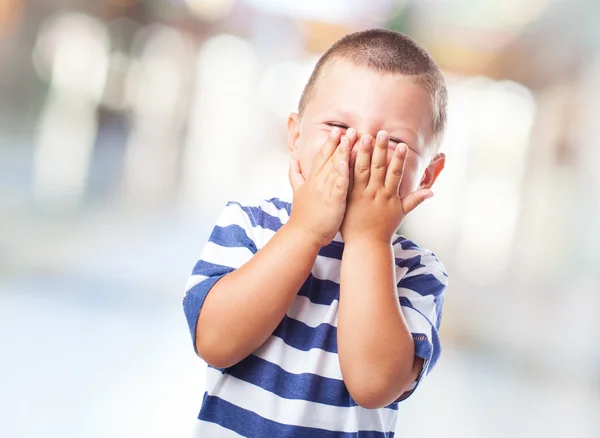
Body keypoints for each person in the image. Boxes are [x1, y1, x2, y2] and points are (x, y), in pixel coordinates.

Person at [182, 28, 448, 437]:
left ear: (428, 174)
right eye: (339, 126)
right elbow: (215, 342)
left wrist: (368, 240)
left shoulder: (418, 271)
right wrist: (305, 230)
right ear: (295, 135)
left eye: (393, 141)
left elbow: (375, 385)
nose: (360, 150)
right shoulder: (250, 225)